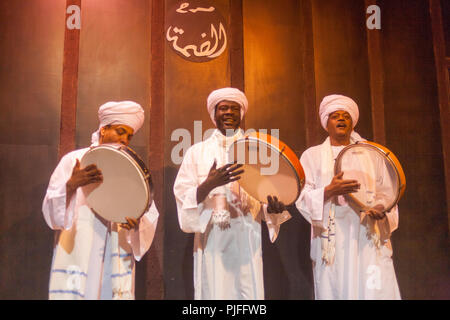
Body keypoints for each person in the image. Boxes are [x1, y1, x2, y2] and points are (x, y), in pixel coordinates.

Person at [173, 87, 291, 300]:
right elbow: (183, 195)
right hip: (212, 241)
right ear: (214, 114)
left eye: (234, 108)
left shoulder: (257, 150)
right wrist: (208, 185)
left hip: (247, 239)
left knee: (247, 293)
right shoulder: (196, 152)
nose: (228, 112)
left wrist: (272, 209)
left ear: (241, 114)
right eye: (223, 108)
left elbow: (265, 197)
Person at [42, 101, 159, 300]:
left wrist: (137, 223)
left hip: (115, 251)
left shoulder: (131, 167)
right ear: (104, 129)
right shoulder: (74, 160)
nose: (124, 140)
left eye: (129, 136)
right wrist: (71, 185)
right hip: (79, 249)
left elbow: (147, 209)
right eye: (120, 132)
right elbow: (52, 213)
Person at [295, 94, 401, 299]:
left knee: (373, 290)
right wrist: (329, 191)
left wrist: (381, 209)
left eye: (346, 116)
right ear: (326, 123)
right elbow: (301, 198)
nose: (341, 119)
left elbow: (388, 193)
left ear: (353, 122)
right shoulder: (312, 156)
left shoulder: (373, 153)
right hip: (333, 240)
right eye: (335, 116)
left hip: (367, 235)